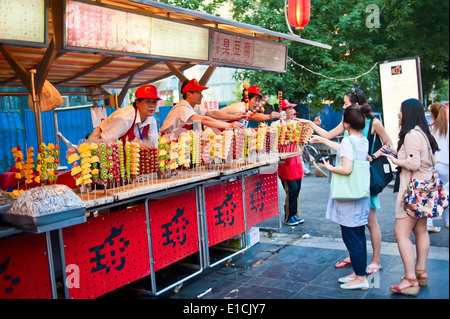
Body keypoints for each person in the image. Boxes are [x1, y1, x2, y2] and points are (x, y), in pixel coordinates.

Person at [298, 88, 392, 275]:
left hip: (366, 177)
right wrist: (310, 123)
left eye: (346, 103)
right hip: (350, 179)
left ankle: (375, 260)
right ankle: (356, 257)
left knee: (369, 221)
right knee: (354, 223)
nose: (343, 106)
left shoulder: (373, 122)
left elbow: (389, 144)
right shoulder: (347, 122)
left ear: (356, 104)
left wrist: (372, 157)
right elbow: (328, 136)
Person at [382, 98, 439, 296]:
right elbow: (418, 158)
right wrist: (396, 152)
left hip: (412, 189)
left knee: (401, 232)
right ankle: (420, 272)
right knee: (421, 230)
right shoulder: (422, 133)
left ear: (408, 113)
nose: (398, 114)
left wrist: (392, 158)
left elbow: (413, 164)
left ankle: (409, 279)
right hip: (424, 188)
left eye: (400, 111)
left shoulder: (411, 134)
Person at [316, 105, 371, 290]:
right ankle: (358, 272)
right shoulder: (362, 140)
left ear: (346, 123)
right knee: (359, 236)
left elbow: (346, 169)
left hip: (349, 198)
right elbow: (347, 152)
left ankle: (361, 277)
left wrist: (329, 167)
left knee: (351, 237)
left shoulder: (349, 141)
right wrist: (322, 139)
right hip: (360, 194)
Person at [160, 78, 246, 133]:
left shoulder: (195, 106)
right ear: (189, 94)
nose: (202, 96)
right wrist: (228, 125)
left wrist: (235, 117)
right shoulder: (182, 107)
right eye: (198, 93)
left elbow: (212, 114)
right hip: (168, 141)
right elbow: (204, 119)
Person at [89, 84, 160, 145]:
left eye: (154, 102)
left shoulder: (151, 121)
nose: (152, 105)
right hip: (98, 146)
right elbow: (104, 142)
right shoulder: (124, 118)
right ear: (137, 103)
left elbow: (153, 144)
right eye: (148, 102)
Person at [273, 99, 304, 226]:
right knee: (291, 189)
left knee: (297, 189)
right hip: (285, 162)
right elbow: (274, 143)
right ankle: (288, 217)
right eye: (289, 108)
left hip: (296, 160)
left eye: (292, 108)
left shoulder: (296, 124)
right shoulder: (276, 124)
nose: (292, 111)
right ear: (283, 111)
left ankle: (294, 215)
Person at [426, 102, 449, 232]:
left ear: (432, 114)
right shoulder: (448, 128)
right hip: (448, 166)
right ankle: (448, 220)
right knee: (447, 193)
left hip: (435, 165)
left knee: (432, 193)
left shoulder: (429, 129)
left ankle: (429, 222)